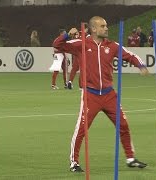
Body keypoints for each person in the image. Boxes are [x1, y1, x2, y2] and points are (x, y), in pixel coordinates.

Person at [53, 16, 149, 172]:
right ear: (94, 29)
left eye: (106, 26)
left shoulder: (112, 46)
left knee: (123, 125)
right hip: (90, 95)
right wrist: (66, 35)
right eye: (103, 26)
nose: (106, 28)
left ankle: (130, 158)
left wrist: (141, 66)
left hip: (109, 94)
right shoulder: (81, 44)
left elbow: (130, 55)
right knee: (82, 129)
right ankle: (74, 162)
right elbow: (57, 45)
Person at [67, 24, 90, 90]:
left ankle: (70, 81)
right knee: (83, 69)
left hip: (75, 53)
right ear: (86, 29)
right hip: (82, 54)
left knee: (74, 68)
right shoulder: (86, 35)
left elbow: (72, 41)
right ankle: (81, 86)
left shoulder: (76, 33)